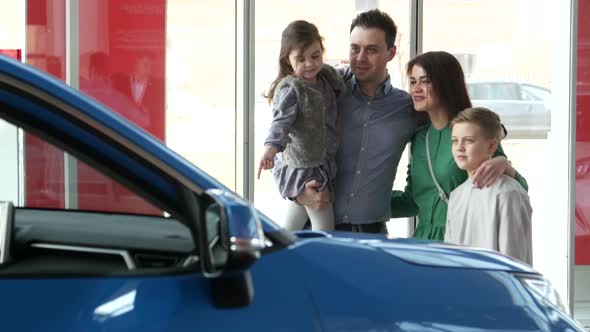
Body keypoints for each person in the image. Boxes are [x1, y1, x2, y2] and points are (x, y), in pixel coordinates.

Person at [295, 9, 416, 234]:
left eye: (371, 50)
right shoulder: (324, 88)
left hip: (372, 235)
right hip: (313, 226)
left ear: (391, 53)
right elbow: (284, 141)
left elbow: (453, 124)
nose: (360, 58)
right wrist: (294, 189)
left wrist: (498, 154)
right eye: (355, 48)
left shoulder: (407, 108)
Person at [390, 51, 528, 240]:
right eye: (413, 82)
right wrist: (359, 203)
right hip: (422, 244)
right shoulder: (420, 138)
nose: (416, 89)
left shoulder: (470, 132)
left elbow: (518, 189)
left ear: (445, 84)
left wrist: (504, 164)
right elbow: (414, 201)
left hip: (461, 241)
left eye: (425, 81)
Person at [257, 20, 345, 231]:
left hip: (322, 161)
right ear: (288, 60)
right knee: (325, 228)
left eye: (315, 56)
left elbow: (341, 78)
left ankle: (279, 257)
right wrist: (270, 148)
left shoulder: (326, 78)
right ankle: (320, 260)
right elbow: (281, 122)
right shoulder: (291, 88)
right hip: (306, 167)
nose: (310, 64)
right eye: (300, 59)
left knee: (291, 228)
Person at [445, 107, 532, 264]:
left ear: (491, 146)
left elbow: (515, 260)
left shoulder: (508, 193)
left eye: (469, 140)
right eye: (454, 140)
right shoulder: (456, 195)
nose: (459, 147)